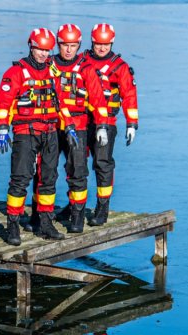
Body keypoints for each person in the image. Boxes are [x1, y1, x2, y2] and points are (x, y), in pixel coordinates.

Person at [0, 28, 79, 246]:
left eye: (46, 50)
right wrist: (2, 129)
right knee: (21, 178)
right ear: (31, 47)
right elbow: (3, 104)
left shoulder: (52, 71)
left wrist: (69, 127)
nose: (43, 53)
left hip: (50, 131)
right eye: (39, 49)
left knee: (49, 178)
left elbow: (61, 102)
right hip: (25, 131)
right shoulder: (15, 73)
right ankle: (13, 223)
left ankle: (45, 222)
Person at [51, 24, 110, 233]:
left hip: (78, 125)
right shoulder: (49, 66)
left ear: (79, 45)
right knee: (44, 172)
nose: (68, 50)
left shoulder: (86, 68)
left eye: (73, 45)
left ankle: (77, 216)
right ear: (58, 44)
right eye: (65, 45)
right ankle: (39, 216)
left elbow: (98, 98)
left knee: (78, 170)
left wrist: (102, 126)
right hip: (50, 126)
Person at [81, 23, 139, 227]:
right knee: (76, 165)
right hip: (81, 120)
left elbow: (129, 96)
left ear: (112, 43)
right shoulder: (82, 60)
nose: (102, 48)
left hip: (107, 123)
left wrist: (132, 124)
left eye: (106, 44)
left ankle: (102, 207)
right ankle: (75, 206)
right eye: (98, 44)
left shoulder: (120, 67)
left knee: (102, 164)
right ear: (92, 42)